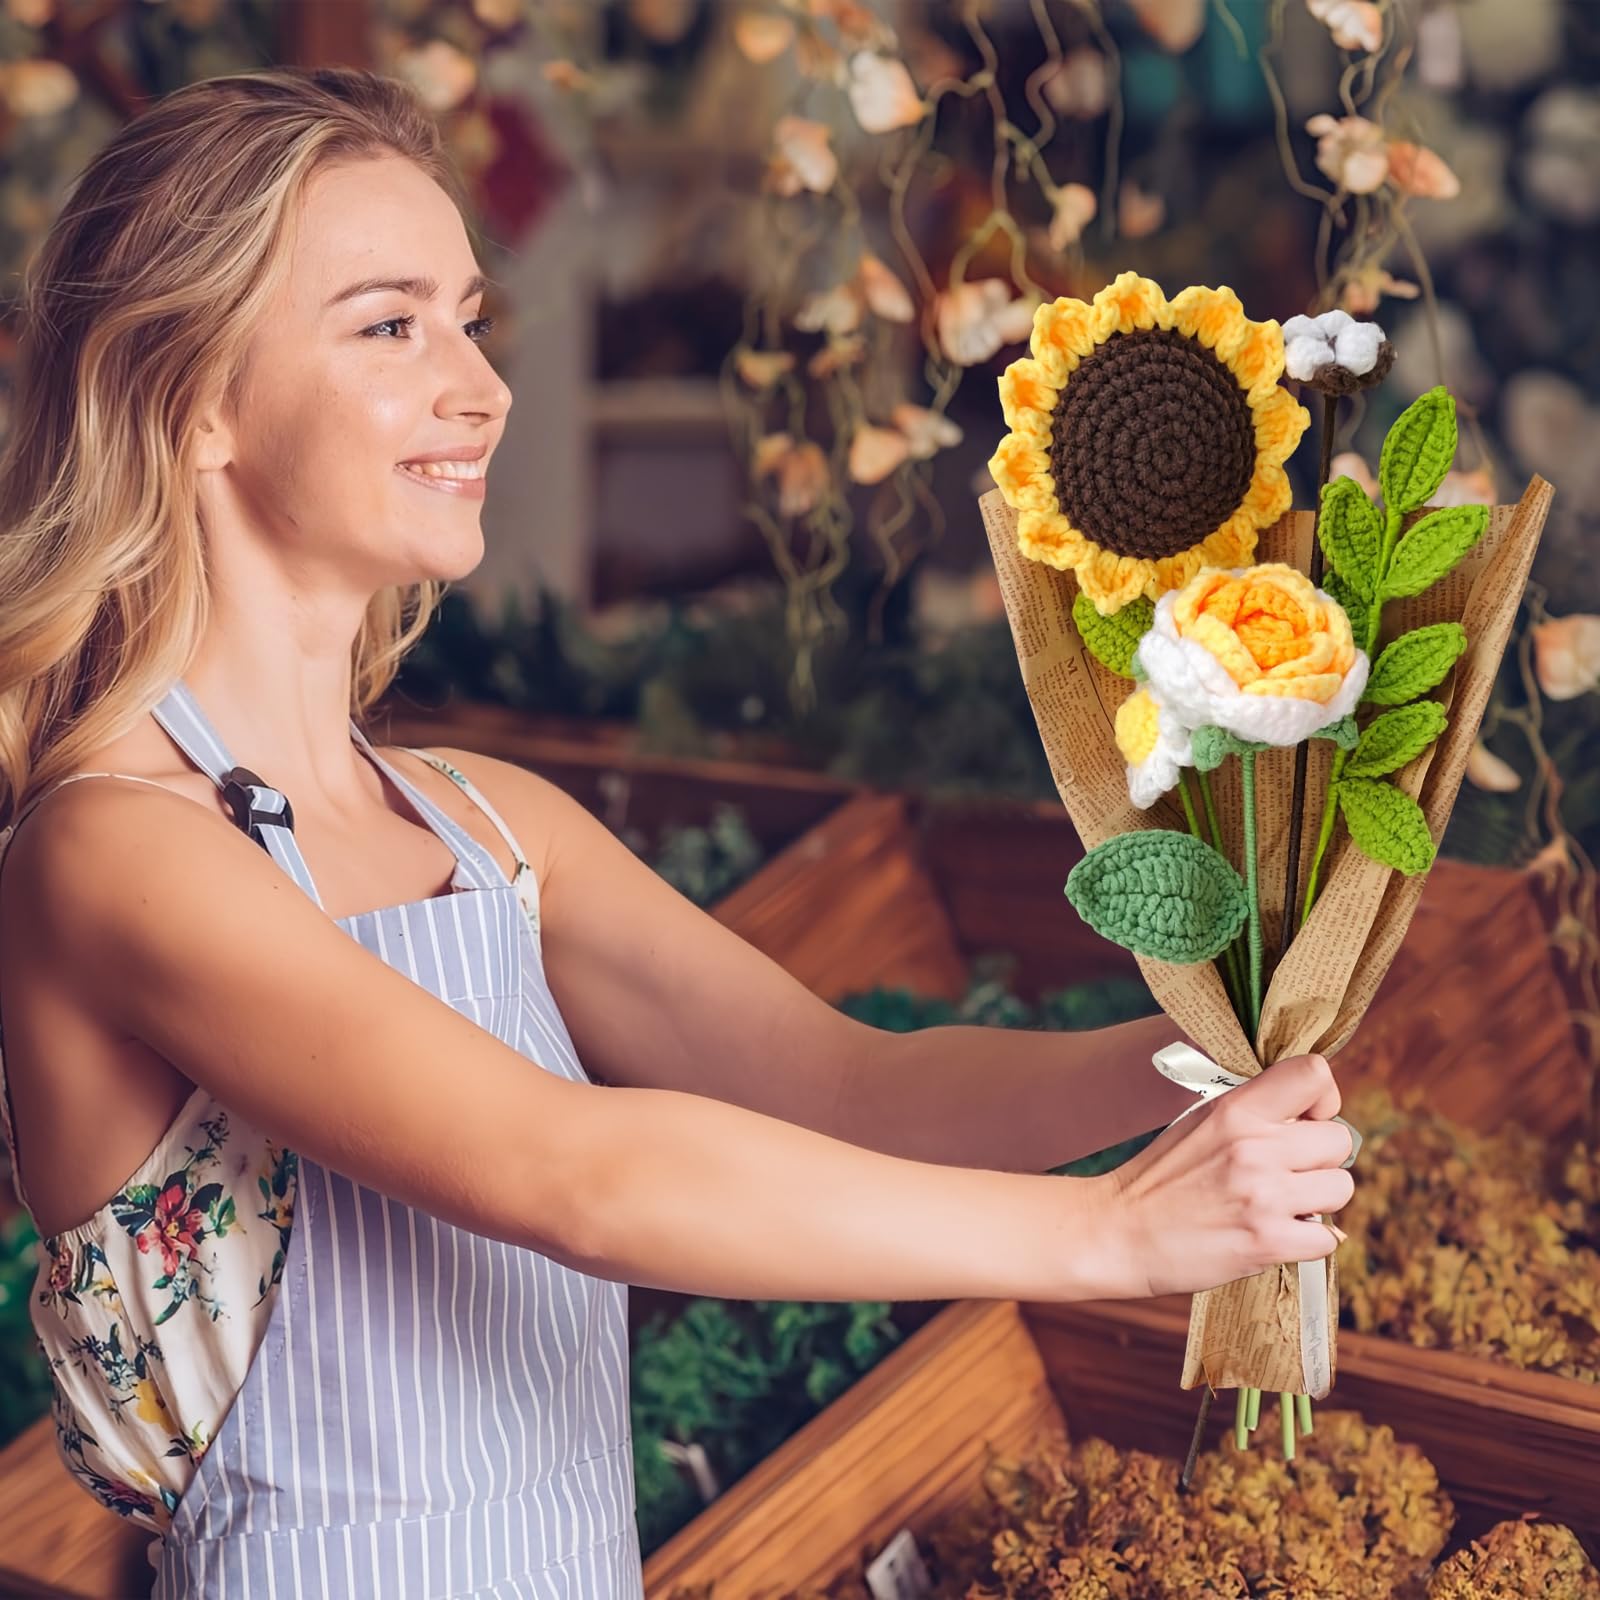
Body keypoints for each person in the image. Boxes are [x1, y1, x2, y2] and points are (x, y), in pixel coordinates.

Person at [0, 65, 1355, 1600]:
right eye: (391, 325)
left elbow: (853, 1086)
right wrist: (1106, 1234)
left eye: (469, 317)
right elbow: (573, 1175)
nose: (481, 386)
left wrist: (1194, 1061)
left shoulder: (489, 823)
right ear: (191, 405)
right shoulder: (115, 849)